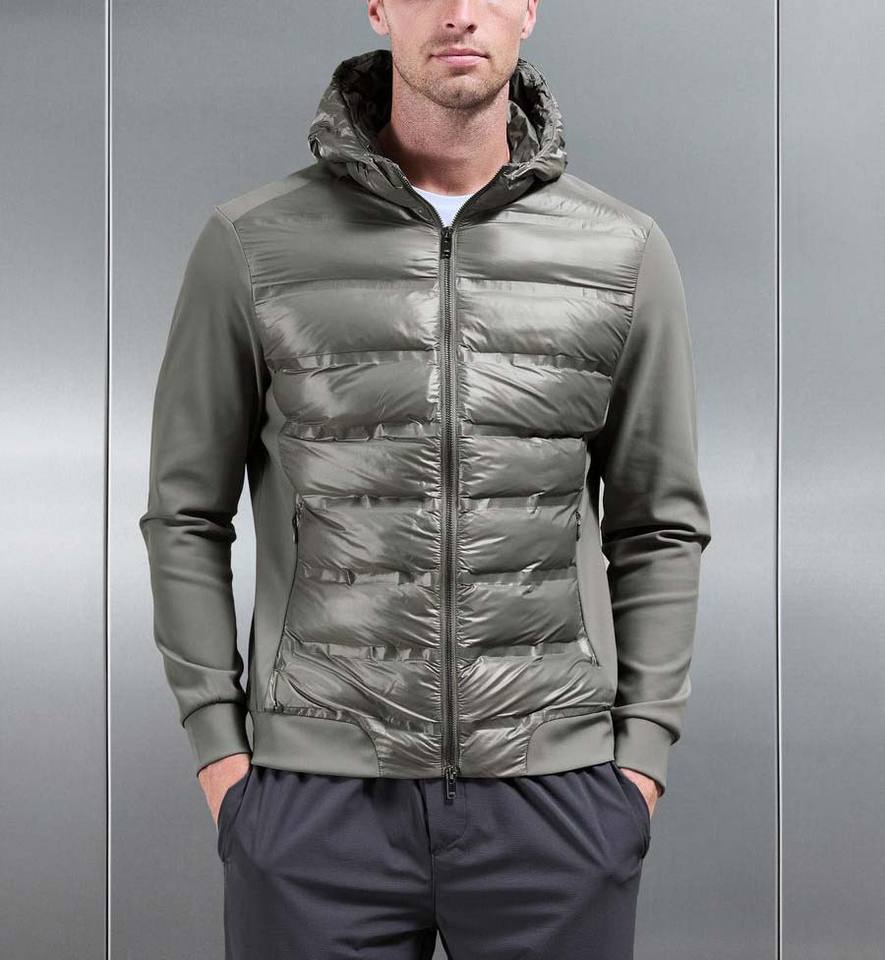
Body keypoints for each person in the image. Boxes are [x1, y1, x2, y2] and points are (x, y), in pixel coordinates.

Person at [138, 1, 712, 956]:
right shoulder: (252, 244)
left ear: (527, 10)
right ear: (378, 8)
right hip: (312, 801)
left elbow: (657, 523)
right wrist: (221, 753)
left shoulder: (621, 253)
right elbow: (185, 513)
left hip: (555, 800)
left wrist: (639, 759)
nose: (458, 14)